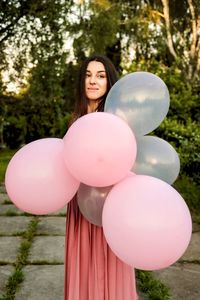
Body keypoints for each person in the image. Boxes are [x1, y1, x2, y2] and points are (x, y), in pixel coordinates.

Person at [64, 54, 138, 300]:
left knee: (110, 260)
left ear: (109, 82)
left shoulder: (115, 118)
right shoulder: (76, 118)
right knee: (83, 257)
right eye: (87, 75)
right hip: (80, 202)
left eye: (100, 75)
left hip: (108, 202)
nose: (93, 81)